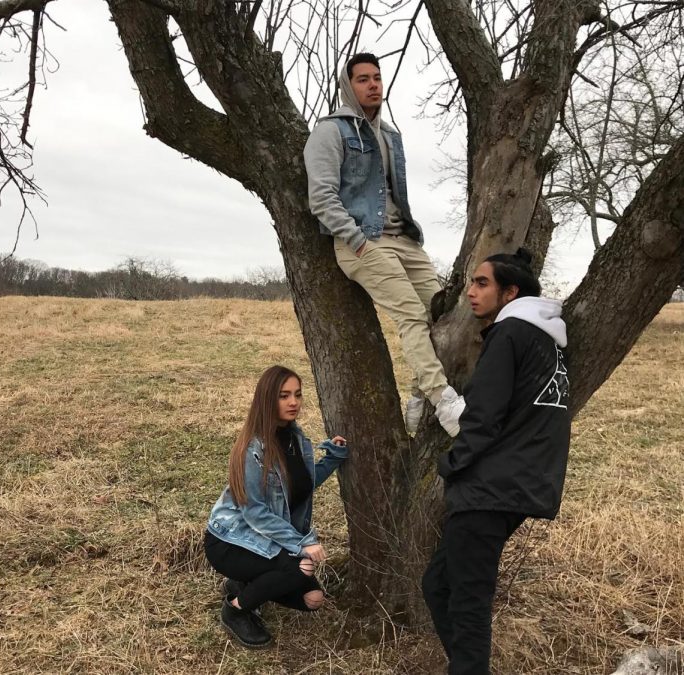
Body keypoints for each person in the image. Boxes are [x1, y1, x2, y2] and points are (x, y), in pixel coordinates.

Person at [422, 248, 571, 675]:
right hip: (521, 484)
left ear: (510, 292)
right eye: (471, 282)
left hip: (490, 488)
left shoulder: (509, 335)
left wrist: (452, 465)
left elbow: (483, 417)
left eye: (482, 283)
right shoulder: (547, 339)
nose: (470, 292)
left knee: (468, 604)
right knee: (437, 585)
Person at [303, 51, 465, 437]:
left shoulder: (391, 134)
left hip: (403, 240)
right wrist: (357, 242)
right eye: (363, 79)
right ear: (348, 86)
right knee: (411, 312)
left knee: (446, 313)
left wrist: (413, 233)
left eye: (377, 77)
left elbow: (394, 192)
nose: (374, 84)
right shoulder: (331, 131)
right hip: (363, 242)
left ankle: (418, 393)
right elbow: (322, 198)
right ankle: (443, 399)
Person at [204, 365, 349, 648]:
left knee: (313, 600)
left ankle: (244, 583)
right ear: (268, 399)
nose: (293, 402)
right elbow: (254, 511)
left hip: (263, 538)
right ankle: (235, 610)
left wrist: (332, 458)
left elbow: (299, 485)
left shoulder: (295, 439)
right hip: (231, 540)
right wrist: (300, 543)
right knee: (299, 568)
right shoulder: (252, 448)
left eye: (297, 394)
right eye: (284, 396)